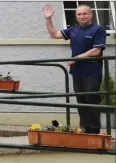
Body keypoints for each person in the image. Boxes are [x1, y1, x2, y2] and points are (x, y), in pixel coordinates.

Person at [43, 4, 107, 134]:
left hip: (92, 72)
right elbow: (54, 34)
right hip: (77, 71)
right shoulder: (74, 29)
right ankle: (85, 129)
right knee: (81, 101)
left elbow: (96, 51)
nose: (82, 16)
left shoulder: (98, 29)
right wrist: (48, 19)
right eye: (79, 14)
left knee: (92, 100)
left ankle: (94, 131)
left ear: (90, 15)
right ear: (76, 16)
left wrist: (77, 58)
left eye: (85, 14)